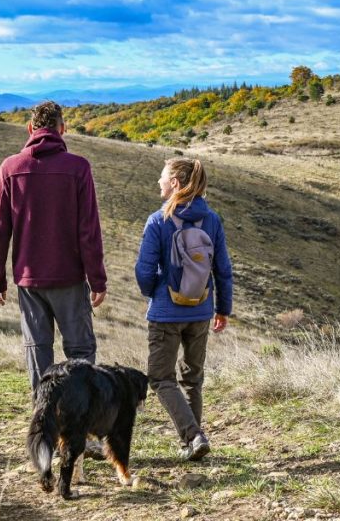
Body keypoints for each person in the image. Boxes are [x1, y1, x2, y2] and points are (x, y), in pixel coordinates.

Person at [0, 101, 107, 393]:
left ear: (30, 129)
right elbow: (88, 230)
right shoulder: (78, 167)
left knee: (38, 353)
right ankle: (80, 426)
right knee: (80, 353)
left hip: (28, 280)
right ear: (62, 129)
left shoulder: (10, 168)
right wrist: (97, 279)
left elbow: (0, 229)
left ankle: (44, 429)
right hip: (69, 278)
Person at [135, 158, 233, 461]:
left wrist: (155, 293)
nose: (159, 183)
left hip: (166, 313)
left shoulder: (158, 220)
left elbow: (144, 270)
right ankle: (191, 442)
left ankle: (193, 436)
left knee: (161, 378)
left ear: (175, 183)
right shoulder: (212, 219)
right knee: (193, 379)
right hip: (201, 310)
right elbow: (223, 270)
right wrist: (222, 309)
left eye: (162, 178)